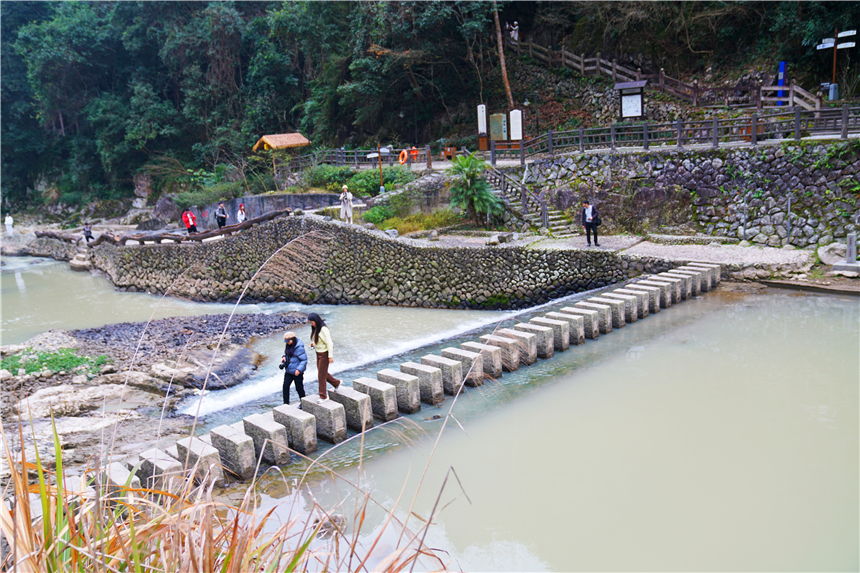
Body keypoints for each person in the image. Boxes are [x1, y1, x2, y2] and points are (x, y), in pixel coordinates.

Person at [307, 312, 341, 400]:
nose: (311, 324)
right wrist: (313, 344)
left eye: (312, 322)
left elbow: (329, 343)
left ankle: (323, 396)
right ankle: (336, 383)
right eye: (310, 322)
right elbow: (319, 340)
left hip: (324, 354)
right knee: (322, 372)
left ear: (316, 321)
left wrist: (330, 356)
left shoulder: (323, 329)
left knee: (321, 375)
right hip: (318, 353)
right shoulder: (317, 328)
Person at [278, 331, 307, 405]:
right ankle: (286, 404)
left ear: (293, 339)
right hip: (288, 371)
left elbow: (304, 360)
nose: (287, 343)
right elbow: (288, 354)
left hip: (296, 372)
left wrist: (299, 370)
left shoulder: (299, 348)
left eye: (288, 341)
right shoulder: (289, 346)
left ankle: (304, 403)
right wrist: (284, 357)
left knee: (299, 388)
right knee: (285, 387)